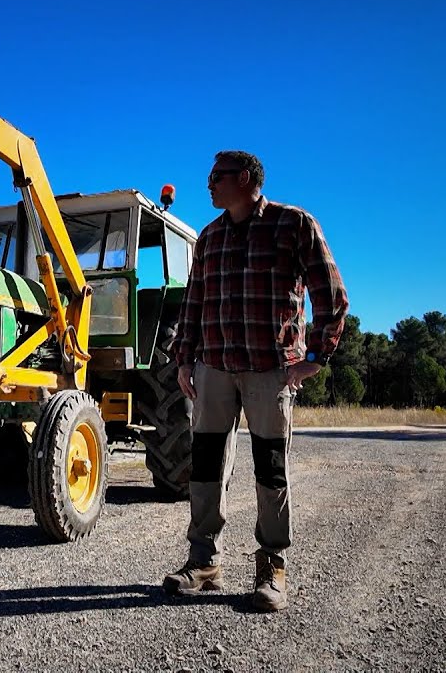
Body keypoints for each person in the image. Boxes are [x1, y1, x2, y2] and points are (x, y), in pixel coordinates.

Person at [163, 150, 349, 611]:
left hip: (271, 370)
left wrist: (315, 357)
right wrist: (184, 359)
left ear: (244, 178)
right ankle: (203, 561)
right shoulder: (208, 238)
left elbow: (331, 294)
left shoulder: (294, 225)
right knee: (205, 467)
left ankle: (273, 565)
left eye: (216, 176)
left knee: (270, 469)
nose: (208, 184)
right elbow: (194, 304)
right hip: (214, 369)